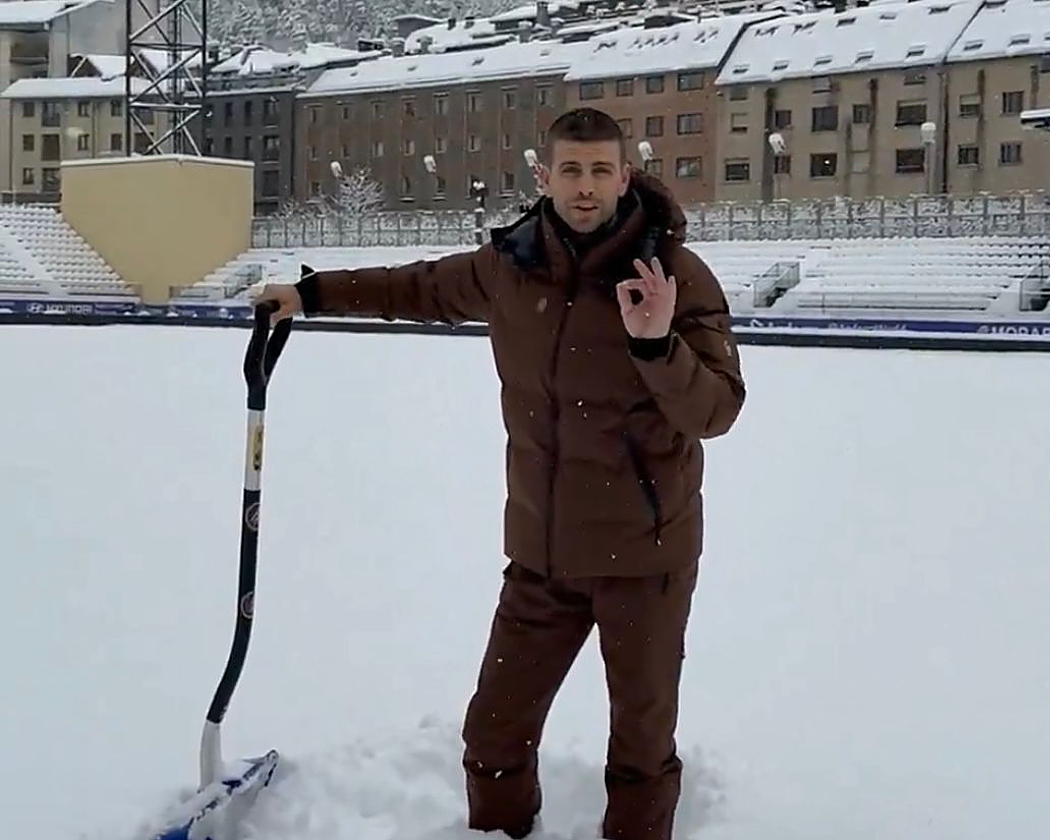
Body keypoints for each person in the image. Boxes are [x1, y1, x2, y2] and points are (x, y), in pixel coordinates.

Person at [252, 106, 745, 840]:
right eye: (570, 170)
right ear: (544, 176)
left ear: (624, 176)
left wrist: (654, 344)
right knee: (492, 738)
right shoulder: (510, 265)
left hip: (645, 558)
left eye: (600, 171)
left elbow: (716, 411)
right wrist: (312, 293)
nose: (585, 187)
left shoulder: (673, 276)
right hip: (542, 555)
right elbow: (415, 287)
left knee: (640, 752)